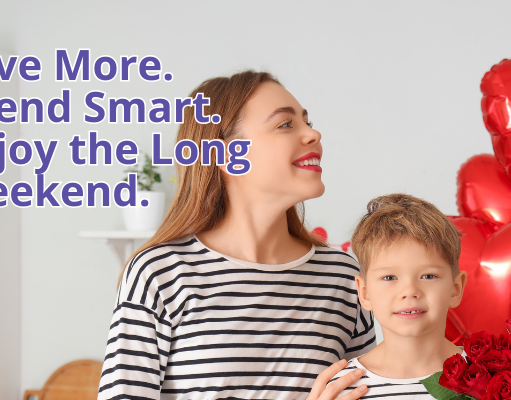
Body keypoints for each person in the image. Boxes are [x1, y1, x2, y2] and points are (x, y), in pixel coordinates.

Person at [98, 70, 376, 400]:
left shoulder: (344, 277)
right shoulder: (159, 273)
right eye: (285, 124)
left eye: (306, 121)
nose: (313, 133)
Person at [327, 194, 468, 400]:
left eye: (428, 276)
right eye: (389, 277)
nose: (409, 291)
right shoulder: (343, 387)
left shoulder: (490, 376)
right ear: (364, 292)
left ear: (455, 288)